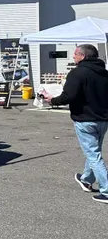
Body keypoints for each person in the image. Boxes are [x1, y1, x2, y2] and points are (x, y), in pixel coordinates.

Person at [41, 44, 108, 204]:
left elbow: (67, 96)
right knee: (94, 152)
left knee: (93, 155)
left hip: (85, 120)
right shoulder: (104, 73)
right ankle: (86, 179)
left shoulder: (77, 73)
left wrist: (52, 100)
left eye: (76, 54)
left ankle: (106, 190)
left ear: (83, 56)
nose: (73, 57)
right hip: (103, 119)